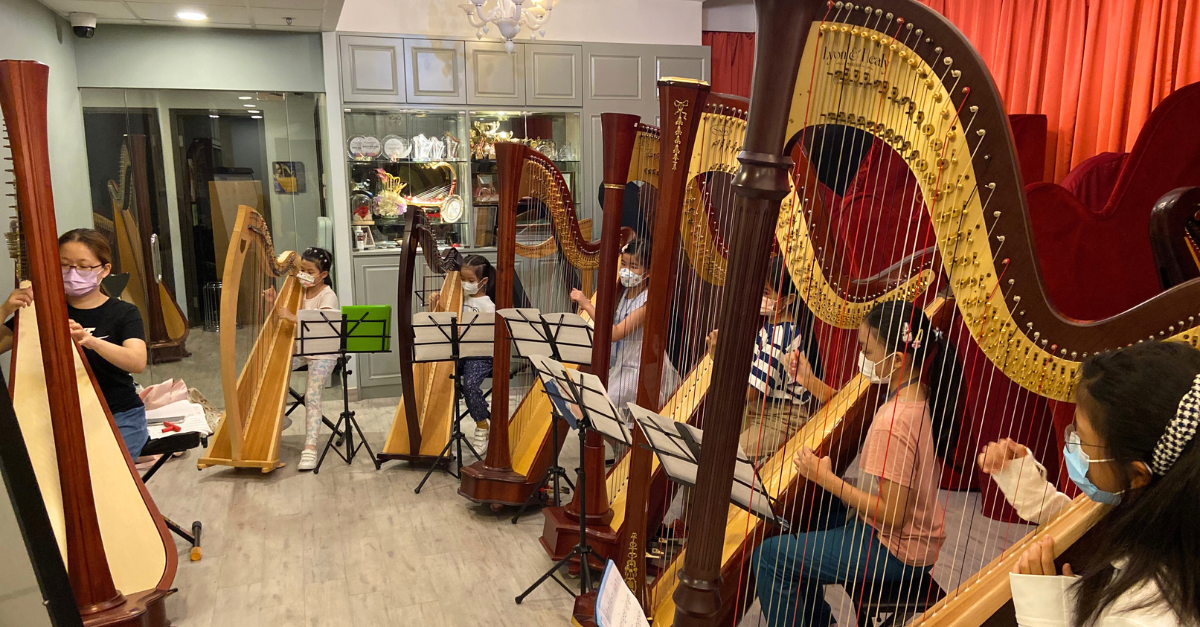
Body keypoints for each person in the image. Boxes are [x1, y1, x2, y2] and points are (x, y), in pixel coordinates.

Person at [752, 299, 962, 627]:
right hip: (903, 535)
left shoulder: (894, 421)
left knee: (769, 557)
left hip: (896, 549)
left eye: (867, 349)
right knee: (801, 518)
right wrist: (810, 382)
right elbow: (851, 415)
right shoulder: (916, 394)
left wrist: (826, 480)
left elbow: (894, 514)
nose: (862, 358)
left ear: (896, 361)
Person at [978, 341, 1200, 627]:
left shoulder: (1145, 614)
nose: (1072, 446)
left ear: (1138, 476)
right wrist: (1027, 487)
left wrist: (1046, 615)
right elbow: (1095, 529)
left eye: (1082, 440)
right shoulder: (1168, 513)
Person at [0, 229, 150, 459]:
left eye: (82, 266)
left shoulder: (123, 312)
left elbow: (137, 362)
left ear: (104, 269)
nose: (72, 273)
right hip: (57, 420)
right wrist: (5, 310)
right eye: (64, 265)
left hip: (119, 416)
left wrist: (90, 341)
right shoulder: (41, 311)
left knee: (102, 477)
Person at [707, 255, 824, 463]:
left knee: (722, 458)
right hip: (760, 411)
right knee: (709, 448)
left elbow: (750, 393)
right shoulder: (769, 327)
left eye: (765, 292)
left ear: (788, 300)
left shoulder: (781, 336)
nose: (757, 296)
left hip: (782, 418)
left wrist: (718, 358)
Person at [570, 238, 660, 417]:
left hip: (637, 369)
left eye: (634, 266)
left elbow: (615, 333)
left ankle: (622, 443)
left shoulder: (647, 301)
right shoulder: (623, 291)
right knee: (587, 408)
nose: (626, 271)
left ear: (647, 273)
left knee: (593, 410)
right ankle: (621, 444)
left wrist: (587, 304)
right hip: (620, 364)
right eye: (624, 264)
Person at [279, 247, 339, 471]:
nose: (302, 275)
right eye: (300, 270)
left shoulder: (327, 296)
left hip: (322, 353)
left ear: (323, 275)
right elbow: (283, 318)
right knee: (273, 371)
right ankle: (279, 418)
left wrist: (291, 317)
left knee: (312, 397)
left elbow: (319, 326)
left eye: (309, 271)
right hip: (302, 351)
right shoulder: (299, 291)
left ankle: (310, 448)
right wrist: (271, 303)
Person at [430, 254, 496, 451]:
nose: (465, 284)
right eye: (462, 279)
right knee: (438, 376)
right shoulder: (455, 297)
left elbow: (490, 336)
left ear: (483, 282)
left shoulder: (488, 306)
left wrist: (467, 331)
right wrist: (435, 303)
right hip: (457, 352)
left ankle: (482, 425)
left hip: (479, 355)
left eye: (471, 280)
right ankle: (438, 428)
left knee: (470, 386)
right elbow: (438, 321)